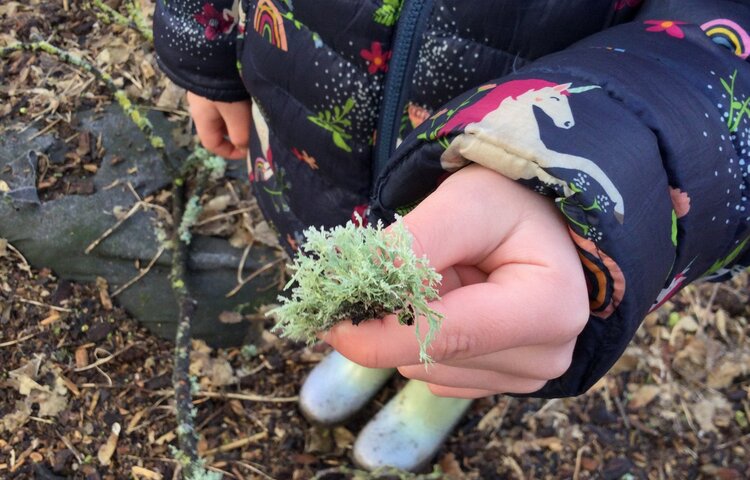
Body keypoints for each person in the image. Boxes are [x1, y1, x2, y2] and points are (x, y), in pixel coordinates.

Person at [154, 0, 750, 470]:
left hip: (519, 131)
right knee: (340, 266)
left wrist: (604, 163)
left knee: (467, 317)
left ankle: (439, 388)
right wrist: (200, 34)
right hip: (305, 126)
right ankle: (370, 350)